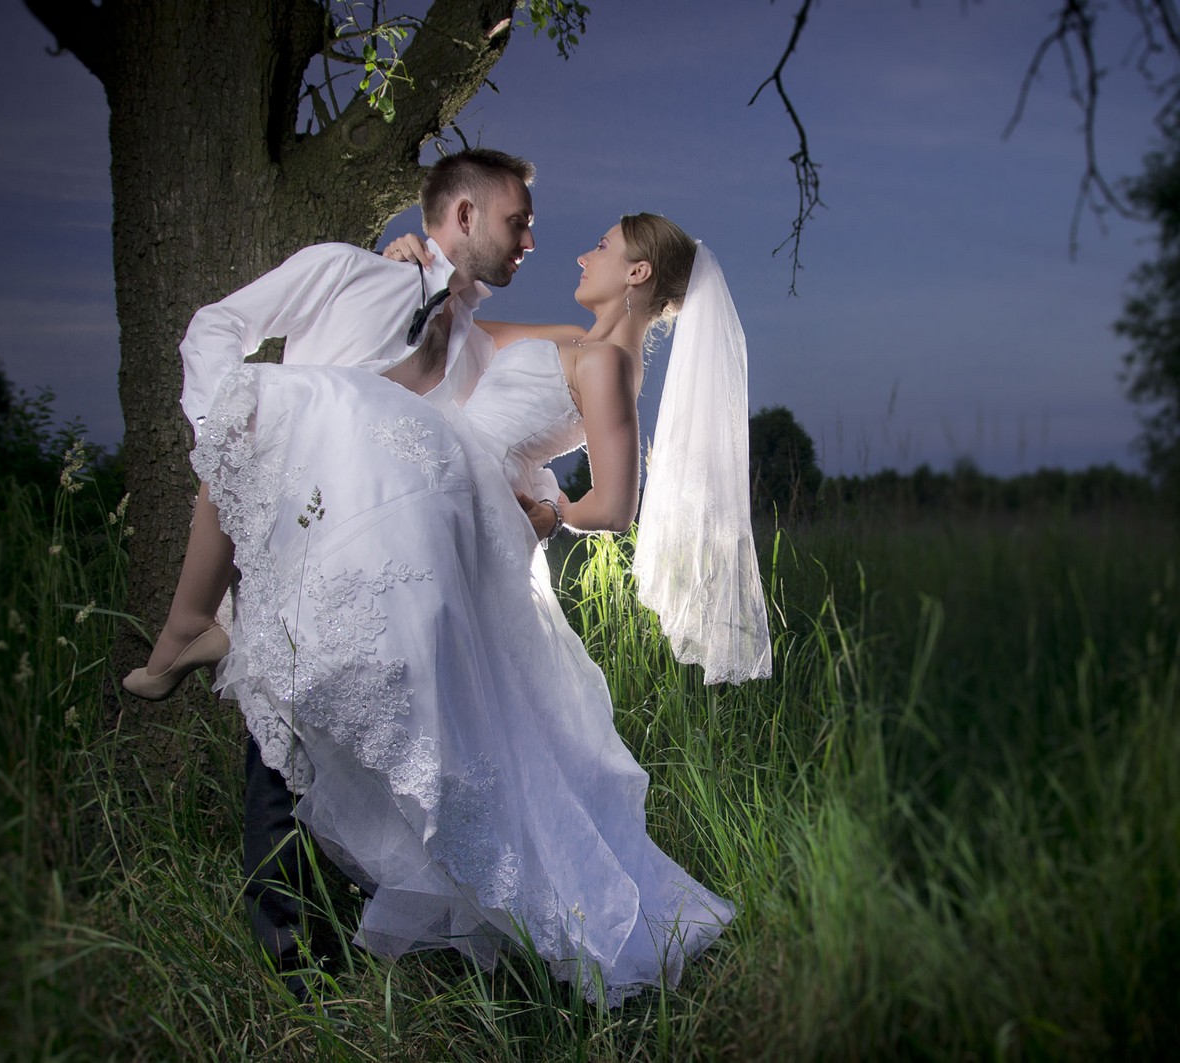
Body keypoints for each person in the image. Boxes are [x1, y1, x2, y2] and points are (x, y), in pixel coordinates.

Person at [135, 212, 771, 1004]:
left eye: (603, 246)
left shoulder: (606, 361)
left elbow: (613, 505)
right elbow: (460, 329)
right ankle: (311, 891)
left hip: (455, 518)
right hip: (418, 488)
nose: (584, 251)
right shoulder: (573, 337)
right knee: (362, 665)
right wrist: (416, 273)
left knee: (294, 434)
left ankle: (309, 914)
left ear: (638, 273)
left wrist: (544, 514)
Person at [123, 147, 540, 1003]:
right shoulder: (344, 272)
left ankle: (400, 943)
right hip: (298, 546)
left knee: (380, 749)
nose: (529, 237)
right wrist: (230, 436)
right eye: (517, 219)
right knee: (286, 735)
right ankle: (297, 969)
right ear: (462, 216)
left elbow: (481, 439)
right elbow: (216, 324)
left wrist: (538, 499)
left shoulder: (471, 346)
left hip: (391, 579)